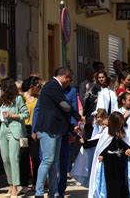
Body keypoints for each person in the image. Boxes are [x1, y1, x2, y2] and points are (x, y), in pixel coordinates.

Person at [33, 67, 81, 197]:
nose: (69, 83)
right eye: (70, 80)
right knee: (47, 161)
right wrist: (78, 116)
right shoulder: (53, 85)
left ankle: (54, 192)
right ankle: (39, 192)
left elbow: (59, 112)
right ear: (65, 76)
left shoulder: (55, 87)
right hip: (48, 129)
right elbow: (64, 105)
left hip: (56, 129)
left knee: (54, 163)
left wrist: (71, 128)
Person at [0, 77, 29, 196]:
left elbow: (26, 114)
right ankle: (10, 185)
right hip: (3, 130)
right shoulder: (3, 101)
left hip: (14, 131)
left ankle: (16, 186)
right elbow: (1, 118)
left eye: (2, 87)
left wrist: (13, 115)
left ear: (7, 88)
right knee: (5, 159)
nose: (0, 90)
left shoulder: (18, 99)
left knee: (13, 158)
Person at [88, 112, 130, 197]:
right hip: (110, 162)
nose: (121, 124)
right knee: (112, 182)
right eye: (119, 122)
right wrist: (102, 155)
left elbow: (125, 144)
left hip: (121, 161)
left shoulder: (122, 133)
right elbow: (103, 146)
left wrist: (128, 150)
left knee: (122, 181)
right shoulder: (107, 133)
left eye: (121, 122)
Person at [20, 76, 42, 193]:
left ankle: (35, 183)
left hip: (34, 130)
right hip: (23, 129)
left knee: (35, 157)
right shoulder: (22, 97)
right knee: (23, 156)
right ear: (31, 86)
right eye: (38, 86)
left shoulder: (40, 98)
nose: (39, 88)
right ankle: (24, 184)